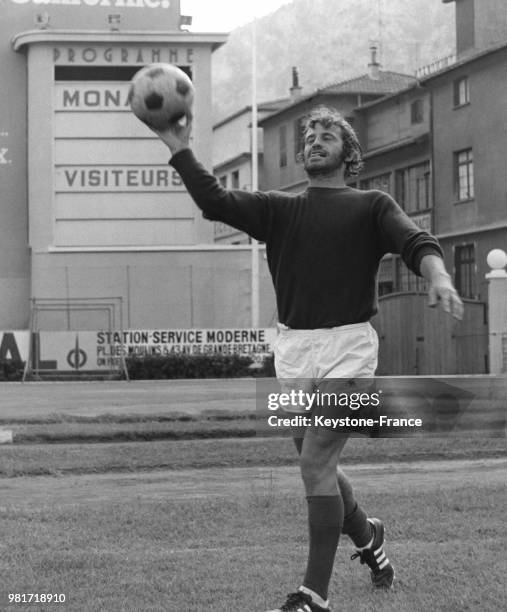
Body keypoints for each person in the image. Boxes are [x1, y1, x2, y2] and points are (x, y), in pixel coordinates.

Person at [151, 105, 464, 612]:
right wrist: (176, 144)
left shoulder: (372, 205)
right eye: (309, 136)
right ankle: (370, 536)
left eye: (326, 135)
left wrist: (440, 276)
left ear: (349, 154)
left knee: (316, 461)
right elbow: (214, 201)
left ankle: (313, 595)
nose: (314, 141)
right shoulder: (279, 208)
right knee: (314, 460)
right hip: (292, 350)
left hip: (347, 349)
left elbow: (416, 241)